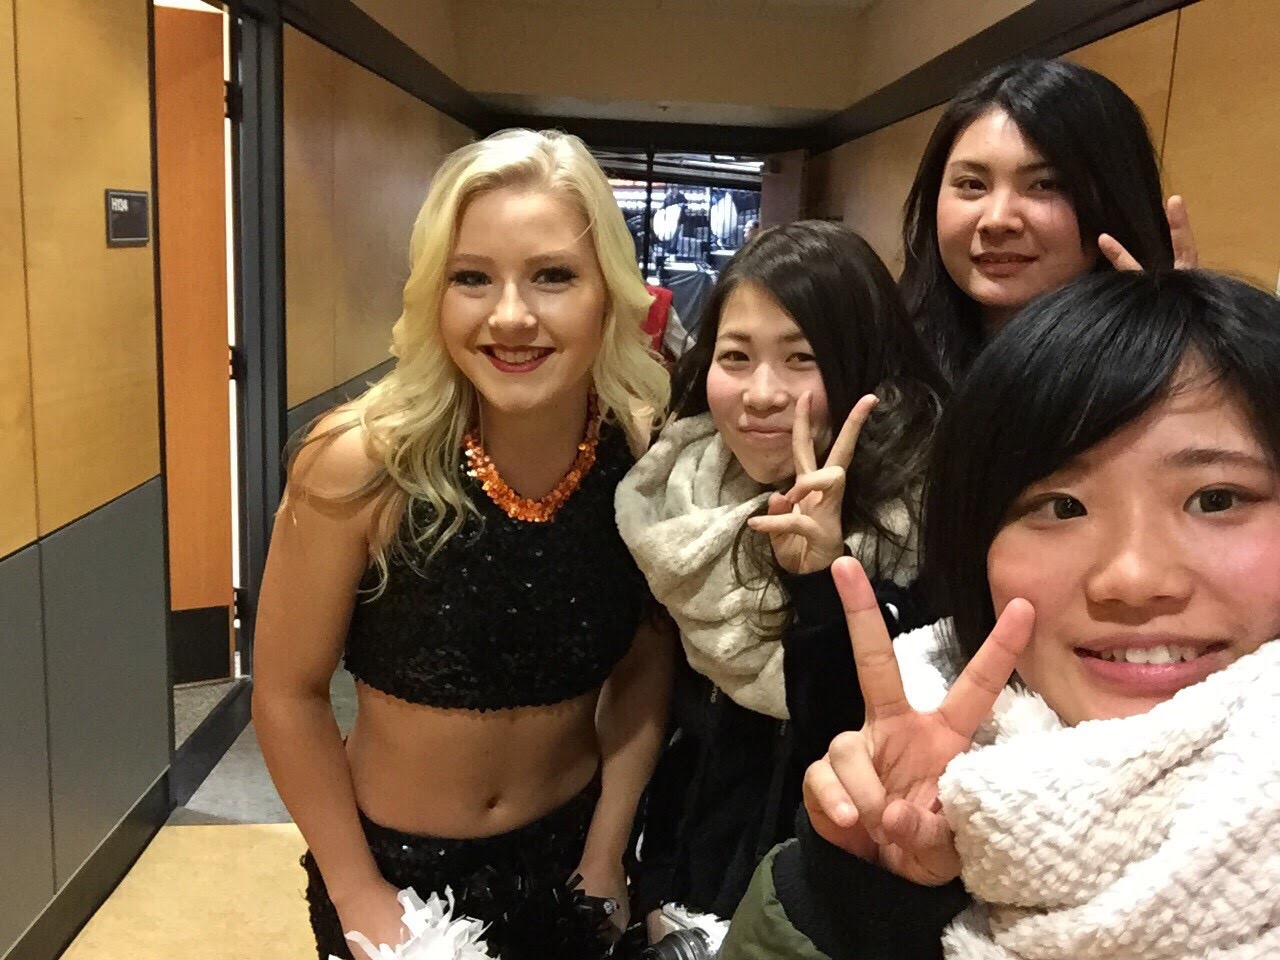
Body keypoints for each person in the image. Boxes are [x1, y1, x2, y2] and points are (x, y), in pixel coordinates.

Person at [721, 268, 1280, 959]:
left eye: (1217, 499)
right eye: (1062, 506)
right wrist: (863, 899)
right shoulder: (913, 797)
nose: (1133, 580)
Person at [251, 129, 674, 960]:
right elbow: (288, 695)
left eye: (553, 276)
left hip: (571, 861)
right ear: (433, 295)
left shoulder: (640, 455)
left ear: (610, 293)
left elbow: (645, 666)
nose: (510, 316)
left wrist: (605, 851)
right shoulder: (359, 463)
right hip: (395, 875)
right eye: (471, 277)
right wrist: (355, 889)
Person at [615, 221, 946, 939]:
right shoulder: (681, 493)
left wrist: (823, 580)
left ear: (862, 363)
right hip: (681, 861)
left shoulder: (928, 522)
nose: (761, 394)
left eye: (801, 359)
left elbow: (868, 743)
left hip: (816, 891)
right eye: (736, 356)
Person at [900, 57, 1198, 382]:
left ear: (1115, 199)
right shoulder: (883, 362)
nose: (997, 220)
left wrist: (1180, 356)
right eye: (972, 184)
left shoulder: (1174, 378)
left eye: (1046, 185)